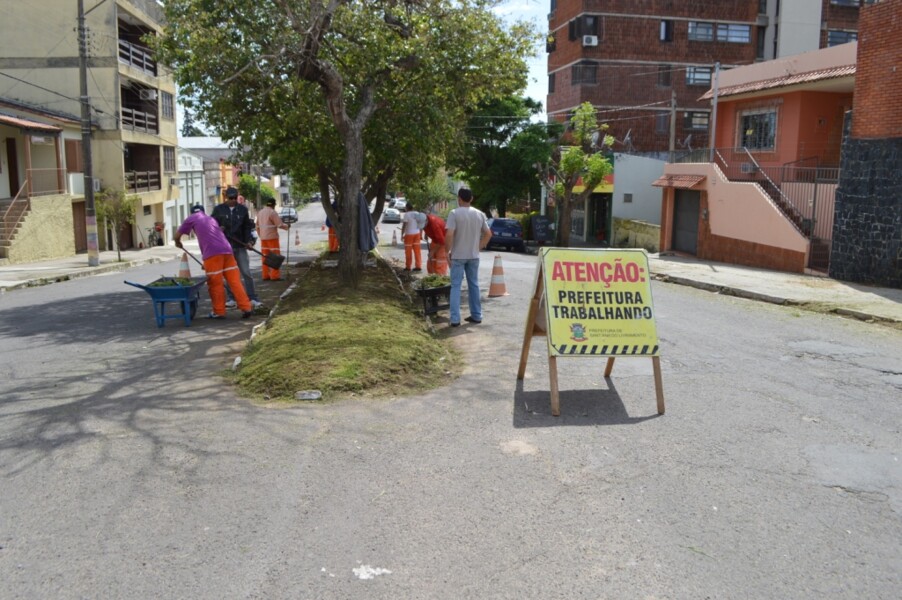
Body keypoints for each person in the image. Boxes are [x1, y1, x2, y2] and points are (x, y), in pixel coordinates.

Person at [174, 205, 254, 319]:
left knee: (215, 283)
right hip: (227, 251)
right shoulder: (211, 219)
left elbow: (177, 235)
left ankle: (219, 311)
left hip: (212, 254)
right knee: (235, 281)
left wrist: (178, 242)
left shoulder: (191, 218)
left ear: (191, 212)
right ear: (203, 211)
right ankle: (246, 307)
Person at [445, 188, 491, 327]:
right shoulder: (479, 214)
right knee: (474, 285)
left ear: (459, 199)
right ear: (471, 199)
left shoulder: (454, 213)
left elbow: (449, 234)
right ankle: (477, 315)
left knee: (455, 286)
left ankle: (455, 319)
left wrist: (447, 251)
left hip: (458, 255)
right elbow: (488, 234)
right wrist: (479, 246)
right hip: (473, 256)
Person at [212, 186, 262, 308]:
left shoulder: (243, 210)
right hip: (225, 248)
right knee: (230, 274)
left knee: (246, 272)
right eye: (231, 198)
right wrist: (218, 229)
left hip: (240, 246)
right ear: (226, 197)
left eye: (235, 197)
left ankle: (252, 297)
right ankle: (231, 298)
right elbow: (211, 226)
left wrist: (250, 241)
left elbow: (247, 228)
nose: (233, 200)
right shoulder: (218, 210)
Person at [255, 198, 289, 281]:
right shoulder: (272, 212)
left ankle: (265, 275)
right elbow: (279, 224)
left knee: (265, 257)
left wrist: (261, 236)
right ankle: (275, 276)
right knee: (275, 257)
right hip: (272, 238)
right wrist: (287, 226)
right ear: (273, 204)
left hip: (263, 238)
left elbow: (257, 226)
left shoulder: (260, 212)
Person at [400, 206, 423, 272]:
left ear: (407, 208)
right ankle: (418, 266)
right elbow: (420, 224)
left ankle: (408, 267)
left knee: (408, 252)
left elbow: (404, 225)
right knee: (417, 251)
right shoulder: (417, 213)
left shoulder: (406, 214)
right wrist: (421, 234)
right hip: (417, 234)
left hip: (409, 235)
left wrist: (402, 235)